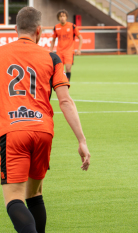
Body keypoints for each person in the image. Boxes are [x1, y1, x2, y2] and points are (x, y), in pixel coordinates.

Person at [0, 7, 91, 233]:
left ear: (15, 29)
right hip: (43, 131)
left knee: (14, 199)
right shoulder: (52, 57)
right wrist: (82, 140)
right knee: (35, 195)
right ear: (39, 30)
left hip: (12, 131)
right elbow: (65, 101)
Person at [49, 9, 83, 82]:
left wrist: (79, 49)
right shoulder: (56, 27)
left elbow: (80, 38)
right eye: (60, 16)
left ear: (66, 17)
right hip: (59, 52)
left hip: (69, 51)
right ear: (58, 18)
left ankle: (67, 83)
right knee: (59, 69)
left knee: (68, 68)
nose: (62, 18)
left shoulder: (72, 26)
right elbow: (53, 39)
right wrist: (51, 50)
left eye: (64, 16)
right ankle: (60, 82)